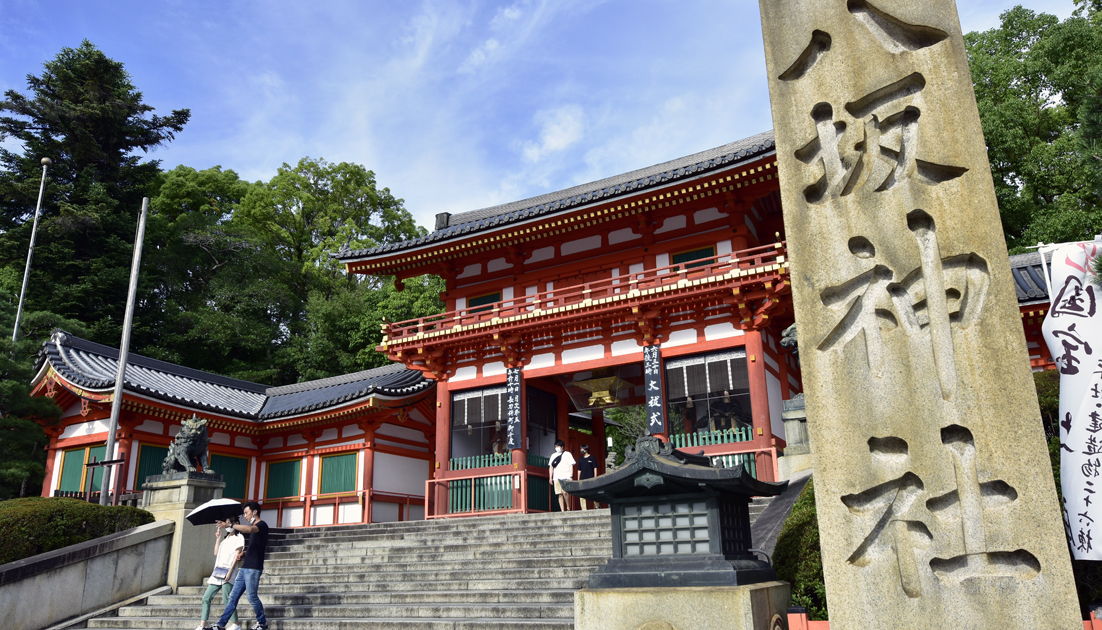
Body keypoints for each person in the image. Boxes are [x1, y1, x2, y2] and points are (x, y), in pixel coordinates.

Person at [215, 502, 269, 630]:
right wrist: (244, 553)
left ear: (255, 512)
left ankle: (262, 623)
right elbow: (254, 546)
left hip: (254, 568)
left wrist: (230, 524)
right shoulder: (253, 526)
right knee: (233, 597)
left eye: (246, 512)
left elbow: (250, 530)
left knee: (252, 597)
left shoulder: (262, 525)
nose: (245, 516)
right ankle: (221, 625)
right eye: (244, 513)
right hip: (245, 567)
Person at [196, 517, 244, 630]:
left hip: (228, 571)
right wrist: (218, 538)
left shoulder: (239, 537)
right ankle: (203, 625)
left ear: (235, 524)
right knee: (206, 598)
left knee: (227, 598)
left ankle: (236, 624)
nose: (226, 525)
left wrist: (231, 571)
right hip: (217, 572)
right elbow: (216, 552)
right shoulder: (225, 539)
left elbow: (236, 556)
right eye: (226, 523)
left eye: (228, 523)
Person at [549, 439, 576, 512]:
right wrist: (550, 477)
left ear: (562, 446)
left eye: (558, 446)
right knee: (559, 494)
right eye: (555, 446)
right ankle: (562, 510)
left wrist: (571, 476)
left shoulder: (567, 454)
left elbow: (571, 465)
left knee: (565, 492)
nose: (556, 448)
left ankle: (568, 507)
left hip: (566, 476)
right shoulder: (553, 455)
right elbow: (551, 467)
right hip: (556, 477)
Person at [576, 444, 597, 510]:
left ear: (586, 449)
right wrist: (578, 479)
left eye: (582, 449)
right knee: (582, 494)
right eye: (580, 449)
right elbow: (579, 470)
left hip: (591, 478)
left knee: (593, 493)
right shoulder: (580, 459)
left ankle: (597, 506)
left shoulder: (592, 457)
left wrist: (595, 477)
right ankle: (584, 509)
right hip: (582, 479)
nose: (581, 450)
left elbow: (595, 468)